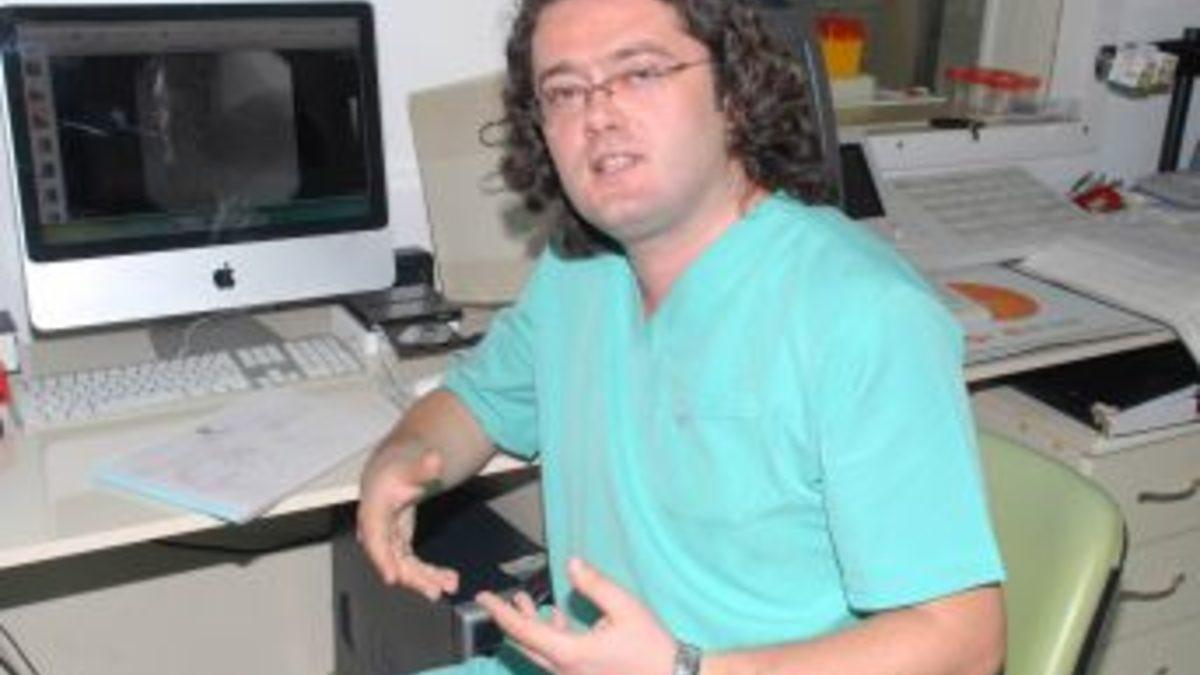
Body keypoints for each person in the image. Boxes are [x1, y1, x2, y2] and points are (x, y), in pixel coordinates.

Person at [357, 0, 1006, 673]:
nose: (597, 115)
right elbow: (473, 405)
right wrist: (402, 459)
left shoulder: (866, 314)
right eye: (565, 91)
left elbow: (966, 643)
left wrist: (685, 668)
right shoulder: (579, 271)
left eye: (639, 73)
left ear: (735, 92)